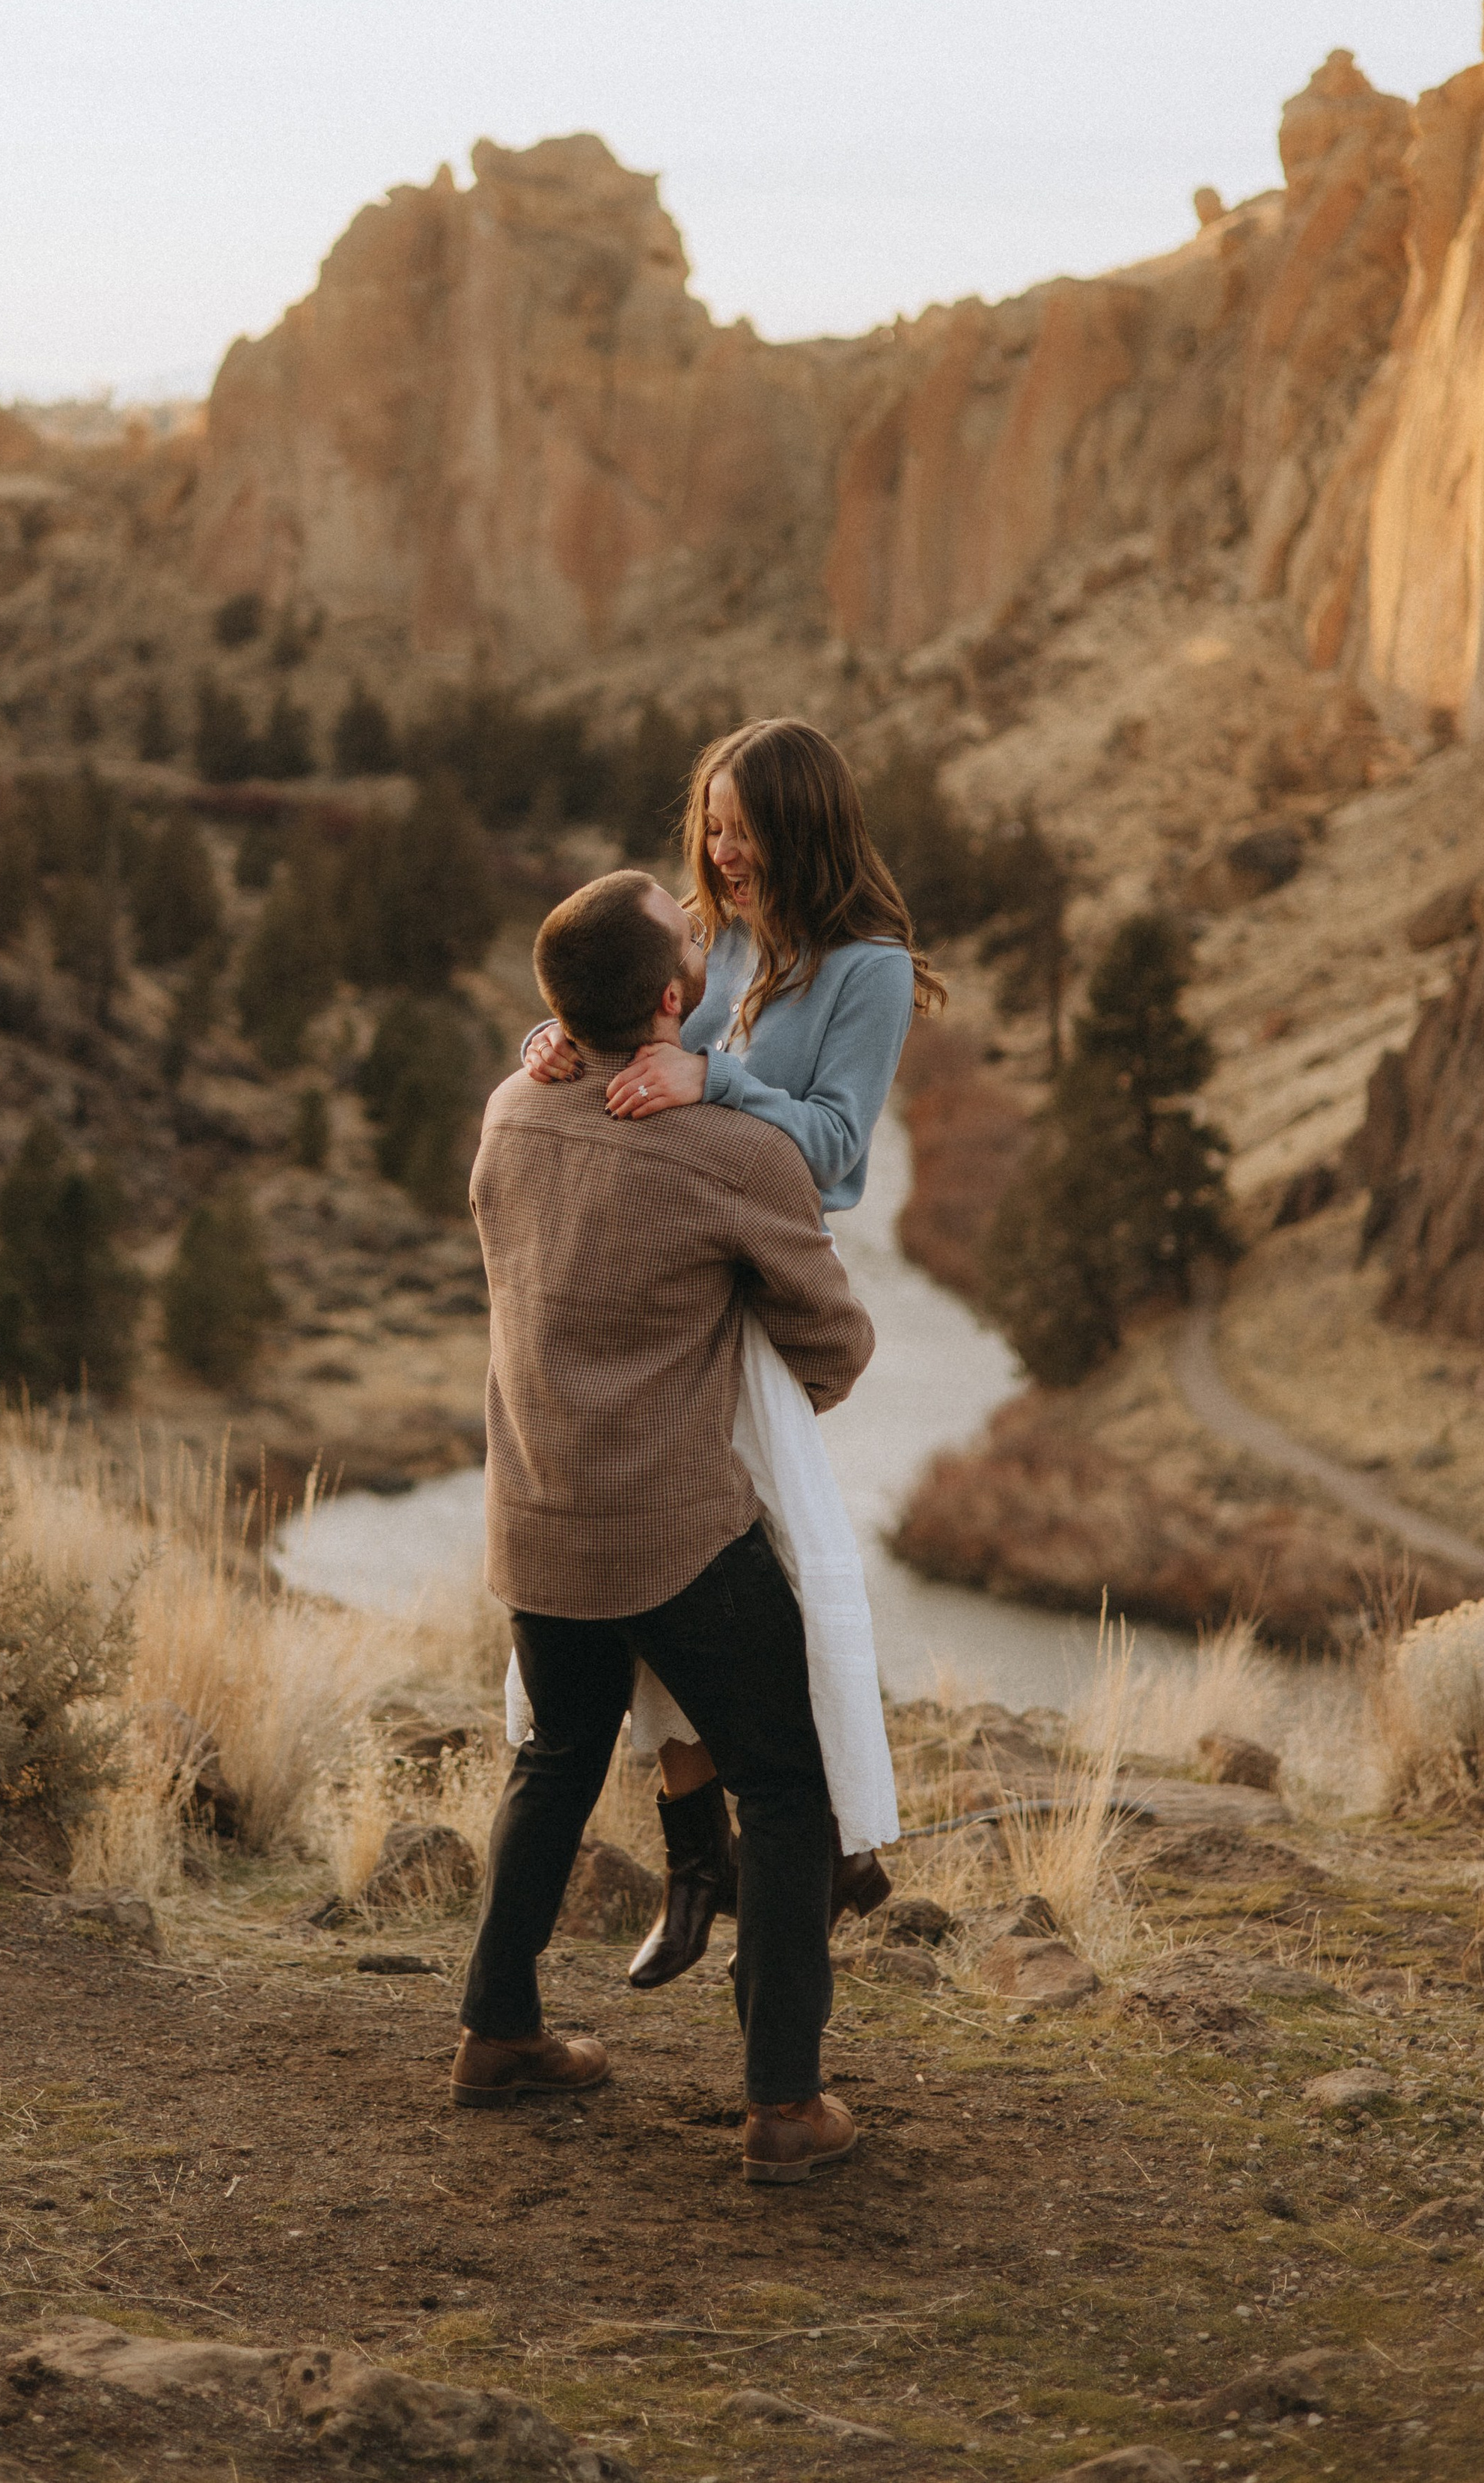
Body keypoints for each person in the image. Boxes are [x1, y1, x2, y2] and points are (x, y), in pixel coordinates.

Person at [455, 865, 875, 2184]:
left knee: (557, 1755)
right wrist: (746, 1397)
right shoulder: (730, 1154)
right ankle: (783, 2102)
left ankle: (496, 2032)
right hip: (679, 1535)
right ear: (670, 1003)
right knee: (789, 1784)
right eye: (690, 933)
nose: (706, 930)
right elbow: (837, 1341)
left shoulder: (511, 1110)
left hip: (537, 1518)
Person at [516, 716, 945, 1986]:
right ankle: (701, 1849)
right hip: (667, 1290)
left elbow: (838, 1151)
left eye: (743, 831)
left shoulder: (869, 968)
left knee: (778, 1582)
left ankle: (815, 1852)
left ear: (803, 828)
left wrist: (717, 1084)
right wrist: (557, 1046)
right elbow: (633, 1032)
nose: (720, 852)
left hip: (757, 1297)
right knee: (654, 1566)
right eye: (710, 827)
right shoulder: (719, 938)